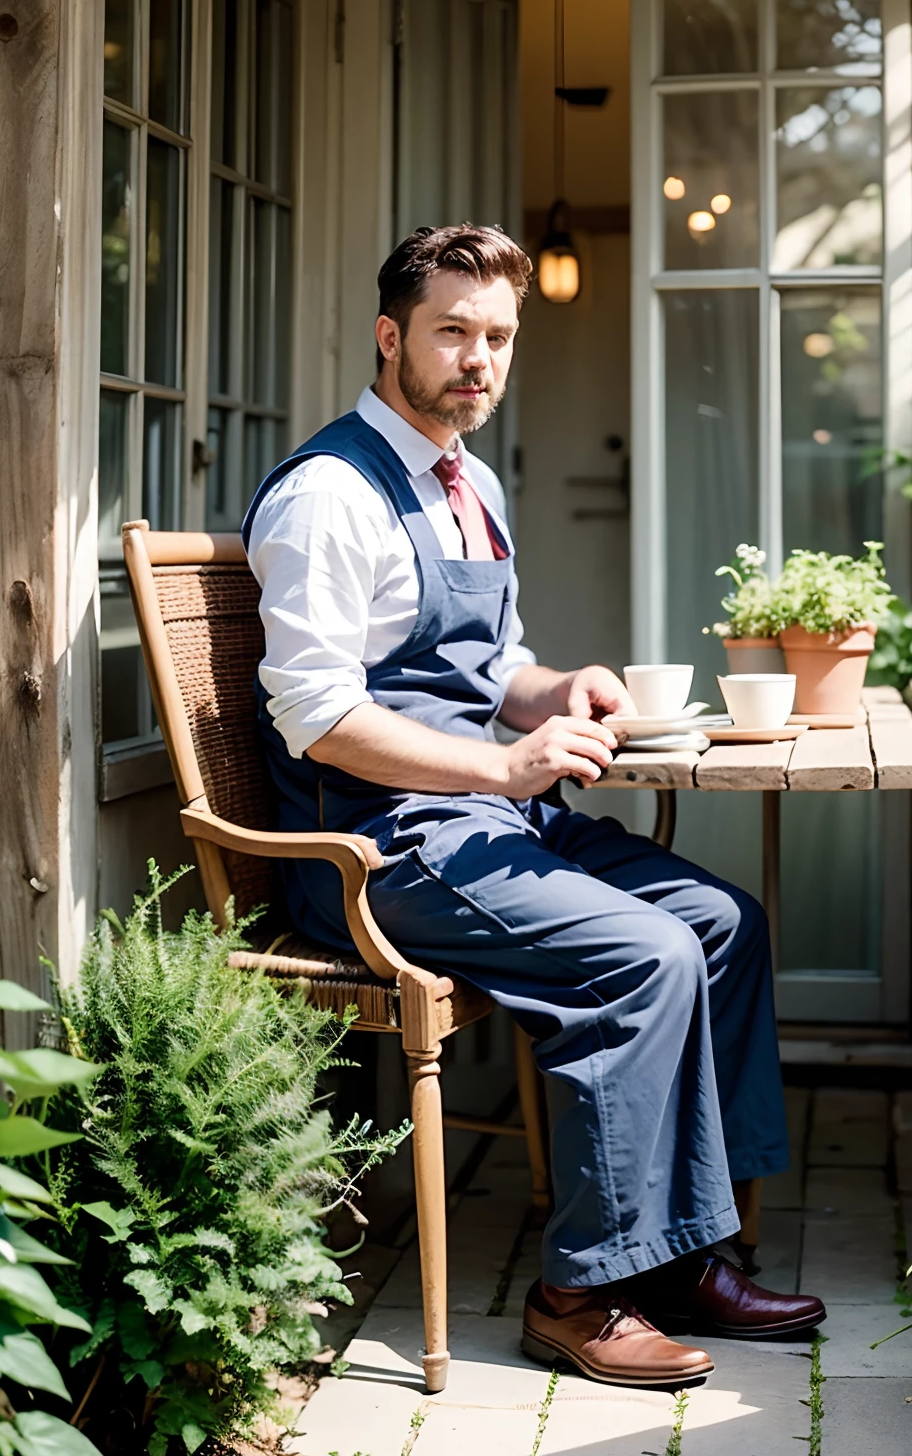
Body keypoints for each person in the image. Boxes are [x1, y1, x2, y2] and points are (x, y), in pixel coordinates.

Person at [244, 222, 825, 1388]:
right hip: (376, 843)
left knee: (722, 921)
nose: (476, 357)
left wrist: (563, 688)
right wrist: (506, 767)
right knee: (646, 953)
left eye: (496, 335)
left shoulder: (472, 482)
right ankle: (581, 1289)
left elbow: (490, 667)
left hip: (481, 822)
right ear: (389, 334)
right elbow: (317, 717)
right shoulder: (327, 497)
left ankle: (688, 1248)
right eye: (452, 330)